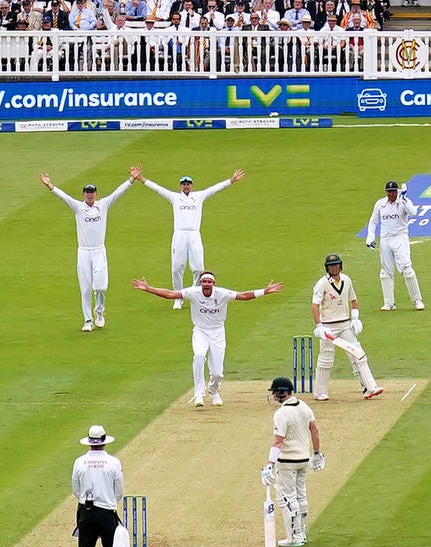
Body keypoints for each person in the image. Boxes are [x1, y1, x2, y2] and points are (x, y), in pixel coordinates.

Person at [129, 269, 281, 405]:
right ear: (200, 283)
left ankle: (214, 392)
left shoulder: (222, 293)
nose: (206, 284)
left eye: (209, 282)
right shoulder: (193, 292)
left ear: (213, 283)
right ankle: (198, 394)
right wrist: (148, 289)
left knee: (217, 372)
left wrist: (265, 291)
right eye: (204, 282)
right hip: (200, 331)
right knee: (199, 356)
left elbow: (244, 296)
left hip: (218, 332)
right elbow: (169, 295)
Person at [43, 166, 142, 330]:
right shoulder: (77, 207)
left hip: (98, 251)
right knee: (85, 288)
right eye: (87, 192)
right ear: (83, 194)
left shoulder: (102, 205)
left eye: (92, 192)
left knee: (100, 287)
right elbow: (64, 197)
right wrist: (50, 186)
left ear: (96, 194)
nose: (90, 195)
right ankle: (88, 320)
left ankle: (99, 312)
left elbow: (117, 193)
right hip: (83, 252)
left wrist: (131, 180)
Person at [145, 167, 242, 280]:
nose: (186, 186)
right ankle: (178, 296)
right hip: (179, 235)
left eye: (188, 184)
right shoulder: (174, 197)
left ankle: (194, 293)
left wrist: (231, 180)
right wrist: (142, 179)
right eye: (184, 184)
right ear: (180, 186)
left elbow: (214, 189)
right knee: (176, 268)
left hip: (194, 235)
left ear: (192, 185)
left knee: (199, 268)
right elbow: (159, 189)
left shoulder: (199, 196)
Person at [309, 253, 381, 401]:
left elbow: (353, 300)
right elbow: (315, 306)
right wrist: (319, 325)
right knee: (326, 358)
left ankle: (369, 387)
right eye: (331, 266)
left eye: (335, 265)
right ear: (327, 268)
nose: (333, 268)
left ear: (340, 265)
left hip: (345, 324)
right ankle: (319, 392)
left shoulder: (346, 280)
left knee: (358, 353)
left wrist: (355, 317)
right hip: (328, 326)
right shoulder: (322, 283)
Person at [72, 423, 128, 547]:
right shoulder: (113, 462)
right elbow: (119, 490)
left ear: (90, 442)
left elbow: (76, 490)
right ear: (104, 441)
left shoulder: (80, 462)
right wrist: (110, 501)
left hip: (85, 513)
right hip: (106, 512)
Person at [267, 375, 323, 547]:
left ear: (280, 393)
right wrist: (316, 453)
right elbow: (314, 431)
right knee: (300, 496)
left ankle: (294, 538)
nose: (273, 396)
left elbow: (278, 441)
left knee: (287, 499)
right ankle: (302, 534)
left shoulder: (282, 413)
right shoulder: (305, 407)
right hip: (303, 459)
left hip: (287, 462)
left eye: (275, 392)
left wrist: (269, 465)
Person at [362, 178, 425, 310]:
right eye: (388, 192)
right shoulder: (380, 204)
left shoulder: (403, 201)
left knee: (407, 269)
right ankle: (389, 303)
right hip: (385, 238)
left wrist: (404, 199)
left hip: (400, 237)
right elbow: (373, 221)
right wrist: (370, 237)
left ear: (397, 191)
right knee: (385, 272)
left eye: (393, 192)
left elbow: (413, 212)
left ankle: (417, 300)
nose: (391, 194)